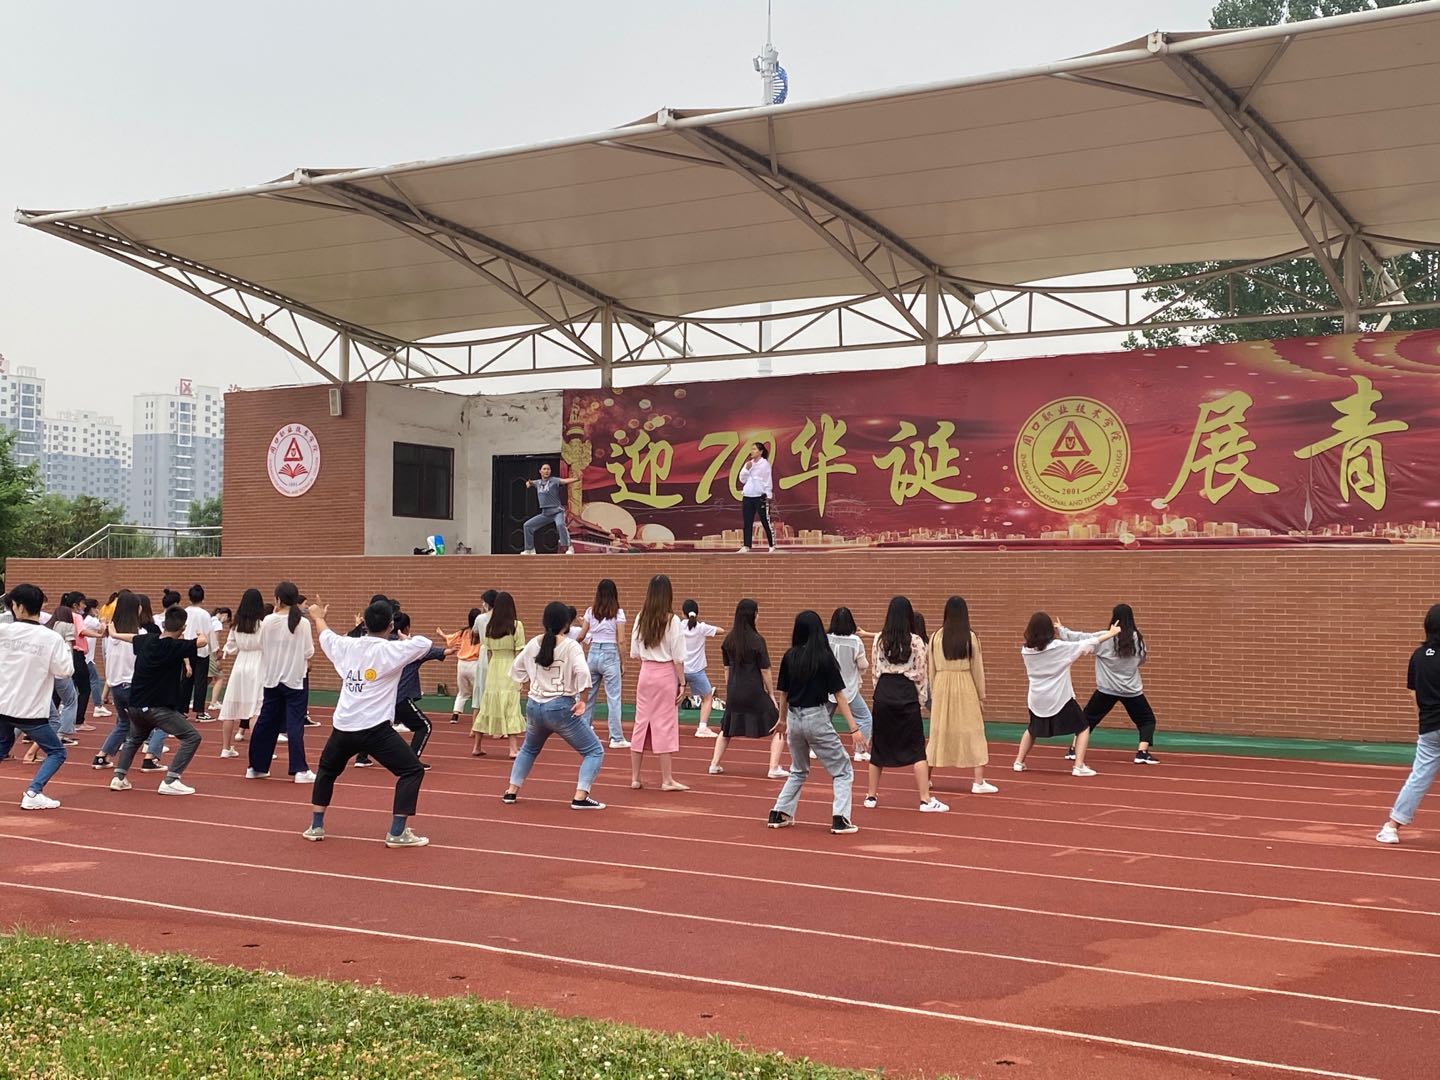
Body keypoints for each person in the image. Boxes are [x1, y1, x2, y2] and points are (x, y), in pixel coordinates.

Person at [304, 599, 434, 848]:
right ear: (391, 625)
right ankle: (397, 833)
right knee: (412, 770)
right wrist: (403, 638)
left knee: (327, 771)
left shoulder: (347, 645)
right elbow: (424, 644)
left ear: (364, 623)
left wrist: (318, 617)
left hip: (343, 727)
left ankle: (316, 826)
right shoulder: (391, 650)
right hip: (376, 730)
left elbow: (325, 635)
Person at [768, 610, 867, 834]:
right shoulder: (824, 658)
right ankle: (840, 818)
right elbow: (839, 695)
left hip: (794, 717)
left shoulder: (790, 656)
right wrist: (854, 728)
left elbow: (784, 692)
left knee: (798, 769)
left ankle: (779, 811)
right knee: (842, 770)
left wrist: (782, 719)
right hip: (816, 718)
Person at [502, 600, 604, 809]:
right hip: (560, 707)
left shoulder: (534, 643)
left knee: (528, 749)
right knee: (594, 751)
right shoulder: (571, 646)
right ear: (567, 623)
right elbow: (583, 673)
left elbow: (516, 669)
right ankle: (580, 796)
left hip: (534, 705)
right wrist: (583, 700)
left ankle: (511, 791)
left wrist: (532, 680)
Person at [106, 606, 206, 796]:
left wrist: (114, 634)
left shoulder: (147, 640)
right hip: (158, 708)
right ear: (182, 628)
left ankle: (118, 778)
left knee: (134, 739)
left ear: (164, 624)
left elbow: (131, 638)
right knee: (192, 737)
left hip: (136, 706)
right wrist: (200, 633)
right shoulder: (175, 646)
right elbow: (202, 642)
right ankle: (171, 780)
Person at [865, 596, 948, 813]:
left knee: (879, 747)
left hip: (884, 691)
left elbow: (875, 670)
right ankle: (925, 799)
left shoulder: (879, 639)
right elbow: (921, 673)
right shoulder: (916, 641)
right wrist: (920, 699)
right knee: (917, 748)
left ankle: (871, 796)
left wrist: (879, 694)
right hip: (906, 692)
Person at [1014, 612, 1122, 777]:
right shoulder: (1059, 647)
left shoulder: (1026, 650)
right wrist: (1111, 634)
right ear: (1049, 630)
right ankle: (1079, 766)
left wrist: (1062, 629)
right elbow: (1086, 643)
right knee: (1083, 727)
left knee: (1032, 729)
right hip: (1059, 696)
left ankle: (1018, 762)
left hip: (1036, 697)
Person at [0, 584, 74, 810]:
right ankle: (33, 792)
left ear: (19, 607)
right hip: (30, 710)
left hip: (3, 704)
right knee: (57, 752)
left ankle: (34, 793)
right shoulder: (51, 638)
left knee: (3, 745)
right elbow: (65, 670)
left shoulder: (3, 630)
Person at [1059, 604, 1159, 765]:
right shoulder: (1138, 639)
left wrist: (1062, 630)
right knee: (1146, 720)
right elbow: (1142, 660)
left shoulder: (1105, 637)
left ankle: (1073, 749)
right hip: (1130, 689)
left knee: (1087, 719)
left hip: (1106, 689)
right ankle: (1142, 752)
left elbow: (1082, 638)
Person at [1378, 604, 1440, 845]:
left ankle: (1391, 826)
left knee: (1418, 778)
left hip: (1429, 727)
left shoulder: (1418, 656)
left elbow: (1413, 693)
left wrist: (1424, 720)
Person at [926, 595, 996, 794]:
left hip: (941, 685)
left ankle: (926, 778)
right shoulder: (970, 637)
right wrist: (981, 695)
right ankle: (978, 781)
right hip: (965, 684)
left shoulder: (935, 637)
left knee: (938, 732)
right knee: (974, 730)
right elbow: (977, 668)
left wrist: (934, 691)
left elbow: (931, 668)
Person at [709, 599, 786, 779]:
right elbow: (765, 670)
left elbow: (727, 669)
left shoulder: (728, 640)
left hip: (734, 690)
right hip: (753, 691)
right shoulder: (757, 641)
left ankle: (714, 764)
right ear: (752, 615)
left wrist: (730, 690)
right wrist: (771, 694)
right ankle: (773, 767)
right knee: (780, 725)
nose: (759, 616)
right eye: (757, 612)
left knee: (726, 729)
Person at [247, 582, 316, 783]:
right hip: (295, 679)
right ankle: (299, 770)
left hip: (272, 678)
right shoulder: (303, 623)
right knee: (295, 724)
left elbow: (261, 644)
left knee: (265, 722)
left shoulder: (268, 620)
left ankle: (256, 767)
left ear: (277, 599)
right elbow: (309, 651)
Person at [94, 592, 167, 772]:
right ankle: (150, 758)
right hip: (133, 686)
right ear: (136, 609)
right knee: (163, 720)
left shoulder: (110, 635)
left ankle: (102, 756)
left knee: (124, 723)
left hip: (116, 685)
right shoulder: (140, 634)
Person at [629, 574, 689, 791]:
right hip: (665, 675)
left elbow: (635, 652)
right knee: (665, 724)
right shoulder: (673, 621)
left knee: (640, 722)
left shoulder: (640, 618)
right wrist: (682, 682)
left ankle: (635, 777)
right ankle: (667, 779)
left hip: (645, 673)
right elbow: (678, 657)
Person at [472, 591, 525, 757]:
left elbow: (488, 650)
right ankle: (513, 748)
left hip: (493, 667)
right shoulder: (516, 625)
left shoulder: (490, 627)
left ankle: (477, 746)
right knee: (511, 706)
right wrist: (520, 676)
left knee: (487, 704)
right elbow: (520, 653)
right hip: (510, 667)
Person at [580, 579, 628, 748]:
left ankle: (583, 735)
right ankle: (616, 737)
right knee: (613, 698)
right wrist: (623, 662)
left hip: (593, 653)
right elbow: (621, 640)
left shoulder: (590, 611)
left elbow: (582, 635)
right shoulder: (618, 613)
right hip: (610, 653)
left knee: (588, 696)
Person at [218, 589, 265, 759]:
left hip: (240, 664)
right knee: (256, 709)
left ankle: (225, 748)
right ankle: (258, 750)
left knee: (230, 707)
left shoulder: (236, 625)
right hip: (259, 664)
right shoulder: (263, 625)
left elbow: (230, 648)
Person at [827, 607, 873, 763]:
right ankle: (860, 750)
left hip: (828, 687)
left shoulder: (826, 639)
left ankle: (815, 748)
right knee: (865, 718)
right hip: (848, 687)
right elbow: (862, 664)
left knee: (823, 719)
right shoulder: (855, 641)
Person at [681, 599, 722, 738]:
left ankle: (667, 726)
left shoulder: (679, 626)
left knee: (673, 698)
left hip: (680, 670)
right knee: (707, 697)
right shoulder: (701, 628)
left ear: (683, 613)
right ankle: (702, 727)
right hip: (696, 671)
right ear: (697, 613)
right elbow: (721, 630)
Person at [521, 463, 581, 555]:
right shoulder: (538, 482)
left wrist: (576, 479)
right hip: (545, 513)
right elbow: (530, 482)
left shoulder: (554, 480)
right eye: (544, 469)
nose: (546, 471)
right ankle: (530, 549)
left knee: (560, 525)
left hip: (557, 511)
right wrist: (528, 483)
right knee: (527, 526)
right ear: (540, 471)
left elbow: (564, 481)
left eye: (548, 469)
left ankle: (569, 547)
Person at [180, 585, 217, 722]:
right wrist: (215, 649)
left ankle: (182, 710)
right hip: (201, 649)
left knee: (186, 680)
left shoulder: (184, 612)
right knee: (200, 681)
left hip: (186, 649)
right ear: (202, 598)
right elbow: (210, 633)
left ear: (189, 597)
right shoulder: (205, 614)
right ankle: (200, 711)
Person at [441, 608, 483, 724]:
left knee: (463, 692)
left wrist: (441, 634)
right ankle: (479, 715)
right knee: (479, 691)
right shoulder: (482, 633)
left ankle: (455, 714)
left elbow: (449, 639)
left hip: (461, 664)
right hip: (474, 664)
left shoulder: (463, 632)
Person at [735, 443, 776, 553]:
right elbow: (742, 480)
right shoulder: (749, 464)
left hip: (760, 496)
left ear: (760, 452)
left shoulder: (765, 464)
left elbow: (768, 480)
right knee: (747, 522)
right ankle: (746, 546)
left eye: (754, 449)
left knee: (765, 521)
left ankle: (771, 545)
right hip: (748, 496)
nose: (752, 451)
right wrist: (746, 469)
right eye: (751, 449)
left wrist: (768, 494)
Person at [206, 606, 232, 714]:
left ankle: (196, 698)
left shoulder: (209, 620)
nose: (225, 621)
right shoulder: (217, 623)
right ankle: (213, 703)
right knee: (220, 677)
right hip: (211, 652)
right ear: (225, 615)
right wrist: (218, 656)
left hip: (204, 651)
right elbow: (215, 640)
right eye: (227, 619)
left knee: (208, 678)